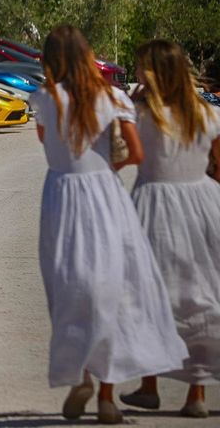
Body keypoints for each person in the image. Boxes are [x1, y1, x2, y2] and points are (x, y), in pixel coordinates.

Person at [29, 25, 187, 424]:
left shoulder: (45, 97)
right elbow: (135, 152)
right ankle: (106, 396)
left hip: (61, 197)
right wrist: (105, 169)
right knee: (115, 289)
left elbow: (46, 141)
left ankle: (81, 371)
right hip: (104, 198)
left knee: (70, 288)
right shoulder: (113, 97)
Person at [118, 39, 220, 419]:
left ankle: (150, 386)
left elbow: (123, 152)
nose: (136, 73)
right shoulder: (207, 114)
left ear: (153, 72)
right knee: (201, 297)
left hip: (153, 206)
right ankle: (196, 394)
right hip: (204, 204)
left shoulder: (142, 114)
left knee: (149, 296)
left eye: (140, 67)